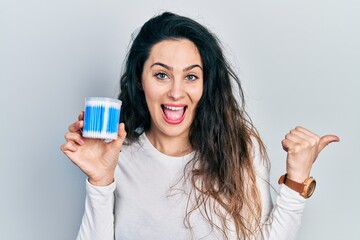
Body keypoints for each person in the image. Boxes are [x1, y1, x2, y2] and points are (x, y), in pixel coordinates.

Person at [60, 12, 339, 240]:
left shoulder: (239, 147)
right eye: (161, 75)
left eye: (191, 76)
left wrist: (297, 179)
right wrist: (100, 181)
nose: (176, 92)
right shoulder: (116, 158)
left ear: (206, 84)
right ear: (139, 80)